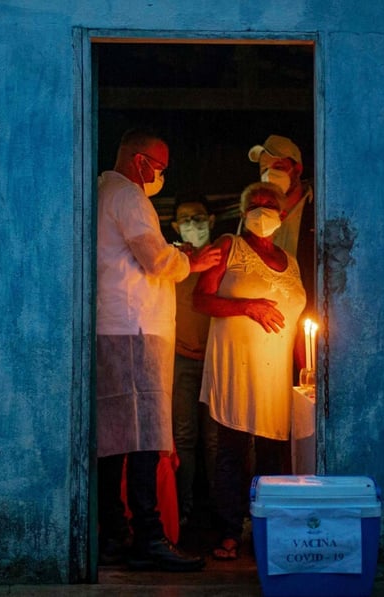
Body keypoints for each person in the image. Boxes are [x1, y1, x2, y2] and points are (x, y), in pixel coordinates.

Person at [96, 127, 220, 572]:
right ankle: (149, 537)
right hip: (137, 329)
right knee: (145, 437)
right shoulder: (130, 196)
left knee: (113, 439)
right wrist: (192, 260)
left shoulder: (101, 190)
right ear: (141, 162)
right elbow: (156, 259)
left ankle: (114, 534)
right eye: (160, 168)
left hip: (112, 326)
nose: (161, 176)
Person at [193, 182, 307, 561]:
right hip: (237, 367)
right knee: (232, 449)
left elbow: (296, 322)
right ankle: (228, 531)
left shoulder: (291, 262)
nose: (261, 210)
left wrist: (305, 367)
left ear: (282, 214)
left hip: (276, 373)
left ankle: (268, 532)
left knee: (273, 453)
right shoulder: (230, 246)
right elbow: (200, 299)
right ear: (242, 213)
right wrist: (247, 307)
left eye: (268, 204)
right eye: (253, 204)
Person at [169, 195, 219, 532]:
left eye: (198, 217)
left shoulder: (224, 256)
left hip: (217, 360)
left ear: (211, 220)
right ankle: (182, 512)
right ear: (175, 226)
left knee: (216, 441)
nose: (192, 224)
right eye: (185, 219)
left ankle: (220, 513)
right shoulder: (171, 261)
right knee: (183, 437)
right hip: (180, 358)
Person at [248, 135, 316, 373]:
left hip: (308, 322)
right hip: (266, 325)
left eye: (278, 167)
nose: (270, 175)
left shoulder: (319, 208)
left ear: (297, 169)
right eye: (264, 169)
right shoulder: (255, 216)